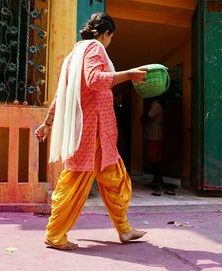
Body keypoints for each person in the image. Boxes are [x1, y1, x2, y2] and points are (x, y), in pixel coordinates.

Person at [35, 12, 147, 250]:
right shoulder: (95, 49)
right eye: (111, 37)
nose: (109, 41)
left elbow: (61, 92)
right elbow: (95, 79)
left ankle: (124, 229)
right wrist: (128, 75)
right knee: (75, 182)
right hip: (92, 132)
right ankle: (55, 235)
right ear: (106, 34)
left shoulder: (75, 53)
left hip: (100, 133)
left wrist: (47, 122)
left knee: (115, 179)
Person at [141, 97, 175, 196]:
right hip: (153, 135)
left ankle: (158, 179)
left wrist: (145, 111)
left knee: (154, 158)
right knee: (154, 158)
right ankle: (157, 179)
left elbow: (146, 118)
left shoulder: (156, 106)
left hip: (154, 136)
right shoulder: (154, 105)